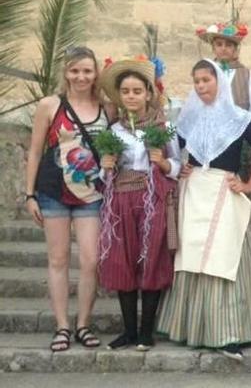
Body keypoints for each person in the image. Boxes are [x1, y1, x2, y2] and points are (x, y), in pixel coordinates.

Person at [156, 59, 251, 361]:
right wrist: (178, 169)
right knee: (193, 256)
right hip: (194, 192)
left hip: (224, 190)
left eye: (206, 80)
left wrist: (249, 184)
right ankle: (192, 329)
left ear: (218, 81)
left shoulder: (238, 117)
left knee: (224, 257)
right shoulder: (187, 119)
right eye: (196, 81)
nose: (201, 86)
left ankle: (229, 333)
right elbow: (173, 154)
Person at [25, 47, 106, 352]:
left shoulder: (106, 108)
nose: (80, 76)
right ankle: (62, 326)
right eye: (74, 71)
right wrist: (29, 194)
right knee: (57, 260)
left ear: (95, 72)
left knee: (91, 260)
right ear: (66, 73)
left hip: (92, 194)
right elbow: (34, 151)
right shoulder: (50, 105)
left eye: (86, 70)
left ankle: (83, 324)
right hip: (52, 191)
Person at [97, 56, 179, 351]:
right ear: (120, 96)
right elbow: (101, 175)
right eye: (126, 92)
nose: (131, 96)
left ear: (148, 93)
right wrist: (106, 165)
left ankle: (146, 332)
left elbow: (178, 165)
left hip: (152, 199)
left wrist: (164, 162)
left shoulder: (163, 128)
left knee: (152, 261)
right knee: (123, 262)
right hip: (119, 203)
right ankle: (128, 331)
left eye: (137, 91)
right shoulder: (114, 131)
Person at [195, 22, 251, 197]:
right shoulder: (204, 74)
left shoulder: (245, 74)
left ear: (235, 48)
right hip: (212, 137)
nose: (223, 49)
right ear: (213, 47)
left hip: (240, 139)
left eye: (228, 45)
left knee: (239, 186)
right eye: (219, 44)